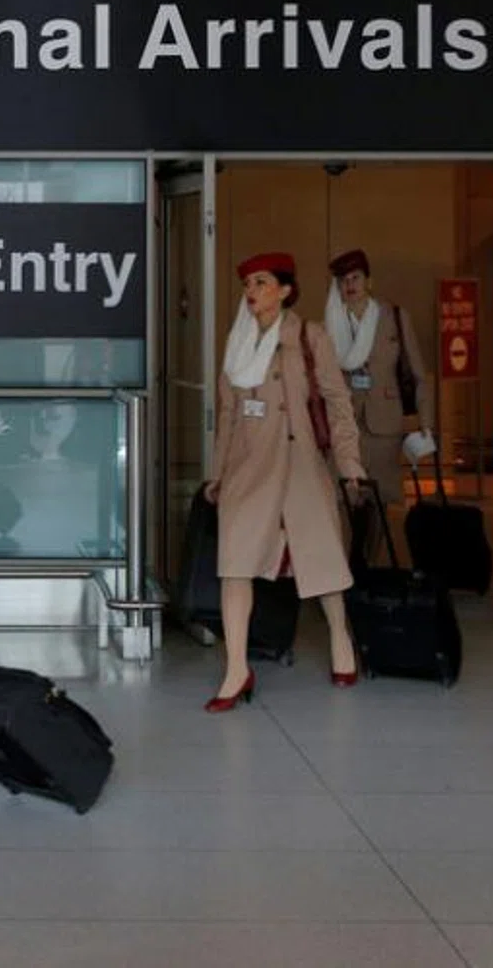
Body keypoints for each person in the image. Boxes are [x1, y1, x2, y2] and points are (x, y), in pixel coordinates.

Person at [203, 252, 367, 712]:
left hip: (300, 466)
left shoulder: (309, 337)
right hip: (248, 468)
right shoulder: (237, 343)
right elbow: (228, 418)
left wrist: (351, 467)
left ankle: (340, 638)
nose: (251, 292)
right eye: (247, 284)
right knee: (234, 564)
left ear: (285, 289)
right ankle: (236, 669)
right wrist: (217, 475)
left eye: (260, 282)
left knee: (322, 559)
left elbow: (337, 405)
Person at [325, 249, 430, 508]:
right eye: (344, 280)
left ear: (368, 282)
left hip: (384, 425)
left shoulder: (394, 317)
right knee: (342, 499)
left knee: (379, 503)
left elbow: (418, 373)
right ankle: (348, 551)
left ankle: (371, 550)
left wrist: (426, 424)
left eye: (356, 278)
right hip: (343, 425)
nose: (350, 285)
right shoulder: (329, 323)